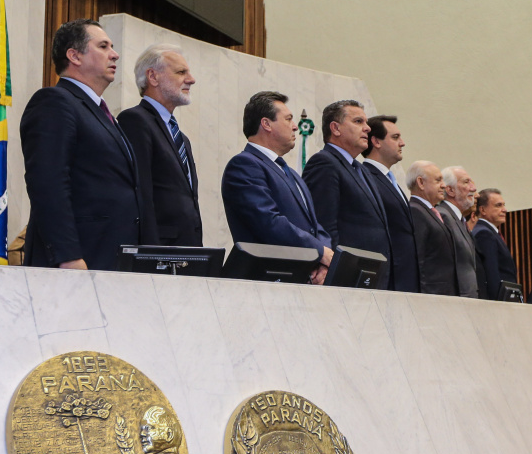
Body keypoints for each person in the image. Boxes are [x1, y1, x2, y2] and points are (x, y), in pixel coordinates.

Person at [21, 19, 148, 271]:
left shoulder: (101, 113)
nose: (115, 54)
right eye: (103, 46)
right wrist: (67, 255)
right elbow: (48, 183)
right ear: (74, 56)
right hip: (79, 261)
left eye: (112, 46)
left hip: (114, 259)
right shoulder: (54, 102)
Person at [221, 91, 333, 284]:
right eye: (288, 119)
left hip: (300, 279)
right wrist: (320, 252)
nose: (296, 126)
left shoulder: (291, 173)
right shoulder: (244, 165)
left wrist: (323, 263)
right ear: (266, 124)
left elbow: (315, 226)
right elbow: (268, 222)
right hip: (267, 281)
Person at [117, 44, 202, 246]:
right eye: (181, 72)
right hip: (159, 252)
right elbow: (141, 193)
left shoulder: (182, 138)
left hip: (187, 251)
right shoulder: (135, 120)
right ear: (153, 77)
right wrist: (151, 253)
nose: (191, 79)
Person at [303, 100, 392, 289]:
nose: (367, 128)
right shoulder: (324, 163)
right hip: (345, 278)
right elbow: (323, 223)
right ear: (335, 128)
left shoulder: (362, 169)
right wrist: (330, 267)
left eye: (366, 122)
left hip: (372, 275)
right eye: (358, 122)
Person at [361, 115, 418, 293]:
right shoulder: (366, 178)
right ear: (376, 141)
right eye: (395, 138)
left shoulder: (391, 181)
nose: (402, 143)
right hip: (387, 278)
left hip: (404, 277)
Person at [406, 161, 456, 296]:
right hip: (431, 295)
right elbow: (418, 259)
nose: (444, 185)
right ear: (421, 183)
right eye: (438, 180)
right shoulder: (415, 211)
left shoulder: (430, 211)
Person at [437, 166, 487, 299]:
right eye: (466, 182)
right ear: (450, 190)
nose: (473, 188)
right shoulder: (444, 216)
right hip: (455, 302)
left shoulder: (458, 219)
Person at [472, 188, 517, 299]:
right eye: (498, 205)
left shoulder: (489, 232)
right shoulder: (484, 234)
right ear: (482, 210)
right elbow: (491, 275)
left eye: (504, 205)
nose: (505, 210)